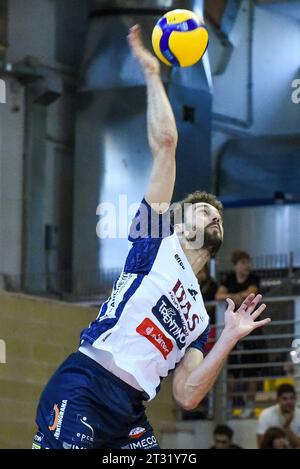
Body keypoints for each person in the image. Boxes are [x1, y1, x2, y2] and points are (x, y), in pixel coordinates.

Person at [32, 25, 270, 450]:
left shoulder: (198, 316)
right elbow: (165, 144)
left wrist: (229, 337)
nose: (214, 217)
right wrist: (151, 74)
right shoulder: (154, 241)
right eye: (203, 211)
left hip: (130, 412)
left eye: (219, 217)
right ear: (178, 223)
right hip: (86, 383)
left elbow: (187, 395)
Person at [216, 250, 266, 415]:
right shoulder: (229, 279)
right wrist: (236, 296)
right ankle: (230, 405)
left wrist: (232, 297)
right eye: (243, 263)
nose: (247, 266)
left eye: (248, 262)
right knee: (232, 370)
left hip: (251, 329)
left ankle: (250, 406)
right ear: (236, 265)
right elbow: (218, 295)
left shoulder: (253, 278)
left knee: (251, 368)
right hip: (233, 329)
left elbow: (249, 295)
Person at [257, 384, 300, 449]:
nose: (289, 402)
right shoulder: (266, 415)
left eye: (292, 398)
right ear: (277, 400)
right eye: (284, 399)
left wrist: (286, 427)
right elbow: (261, 445)